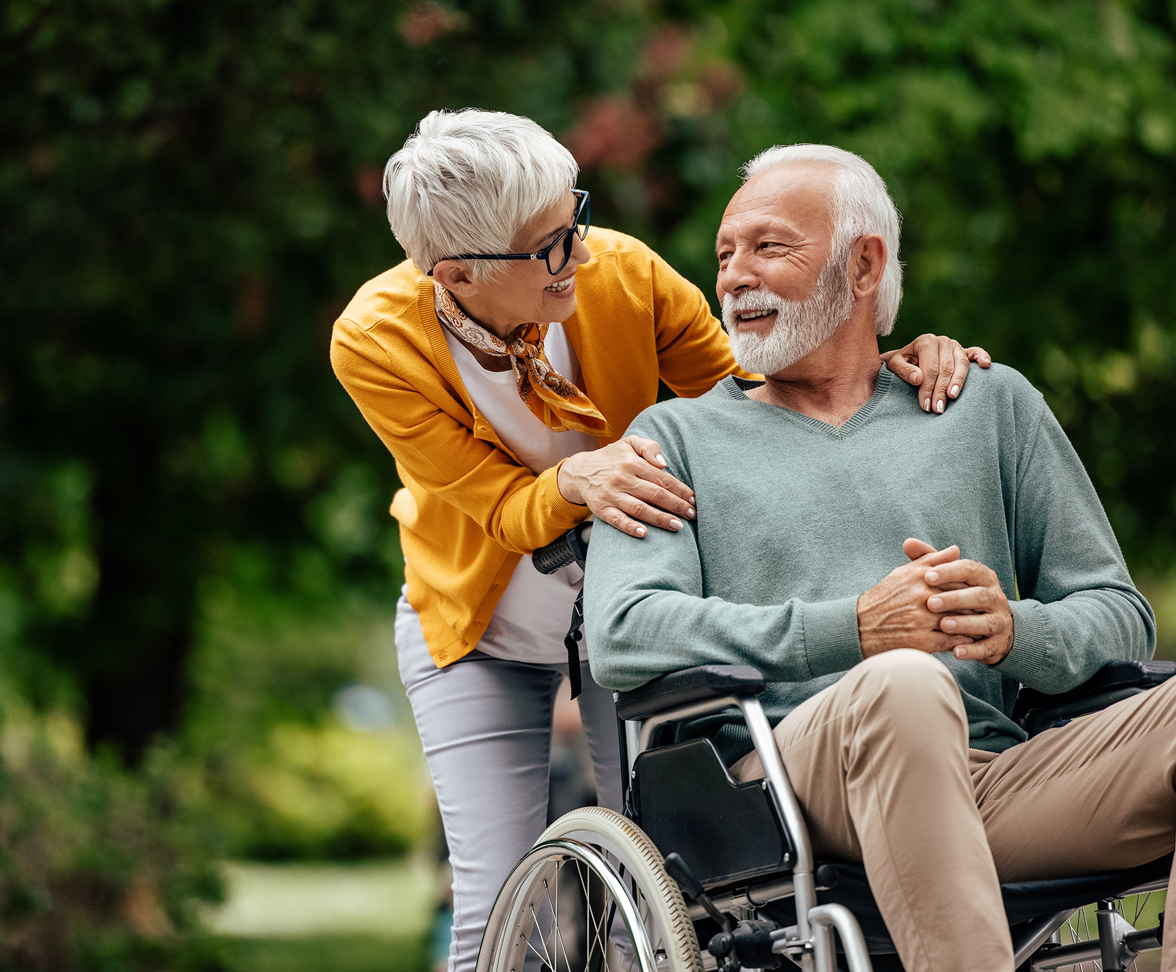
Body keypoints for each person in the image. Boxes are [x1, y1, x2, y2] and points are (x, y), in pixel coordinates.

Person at [584, 142, 1176, 972]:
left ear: (862, 265)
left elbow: (1118, 613)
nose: (733, 276)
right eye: (724, 254)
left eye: (768, 247)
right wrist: (851, 628)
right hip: (784, 784)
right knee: (904, 682)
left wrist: (1013, 631)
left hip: (996, 775)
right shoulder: (673, 439)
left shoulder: (986, 405)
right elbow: (627, 633)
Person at [329, 109, 989, 972]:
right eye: (550, 246)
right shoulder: (376, 339)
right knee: (495, 909)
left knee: (670, 880)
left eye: (577, 218)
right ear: (456, 273)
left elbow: (760, 391)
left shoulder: (623, 274)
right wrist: (576, 480)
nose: (581, 250)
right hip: (476, 629)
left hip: (635, 608)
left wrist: (887, 363)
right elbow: (493, 507)